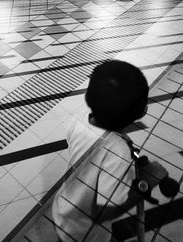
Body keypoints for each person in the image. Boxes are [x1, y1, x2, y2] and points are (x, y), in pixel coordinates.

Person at [52, 60, 168, 242]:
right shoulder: (117, 150)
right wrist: (145, 184)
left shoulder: (80, 120)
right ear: (141, 113)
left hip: (65, 211)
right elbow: (106, 210)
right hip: (86, 231)